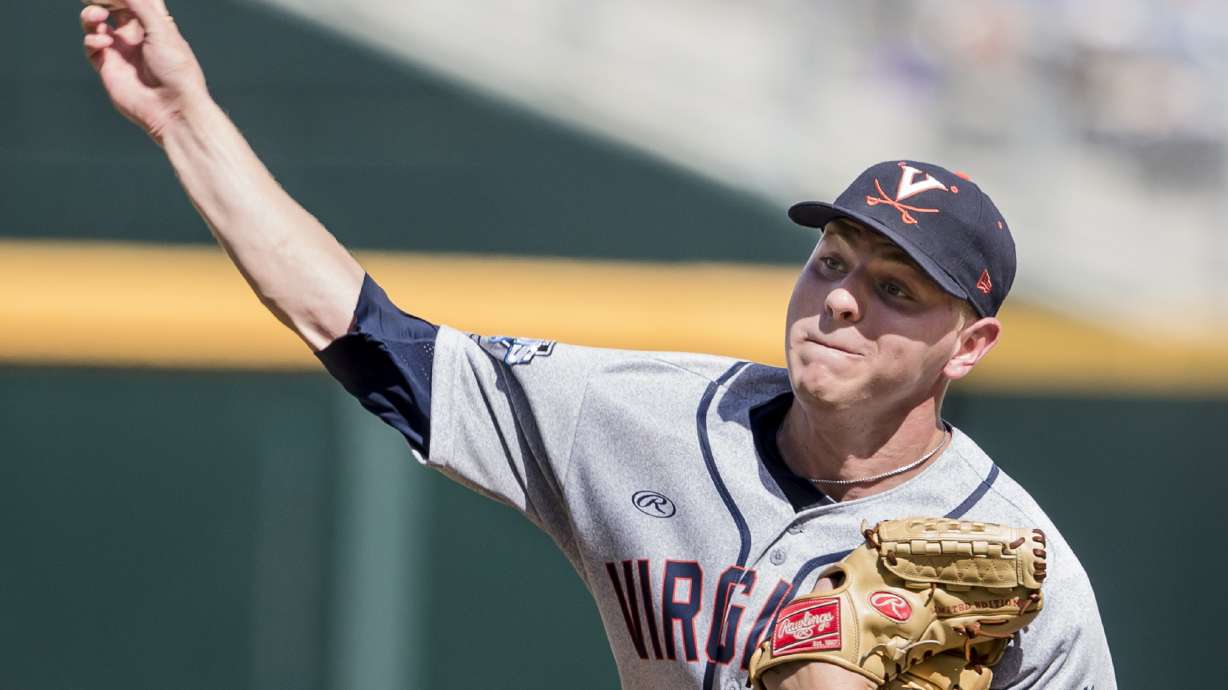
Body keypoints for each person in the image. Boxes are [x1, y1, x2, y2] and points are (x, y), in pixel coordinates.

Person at [80, 2, 1117, 688]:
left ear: (967, 346)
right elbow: (365, 334)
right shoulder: (636, 419)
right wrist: (184, 116)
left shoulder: (1020, 566)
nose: (842, 301)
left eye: (894, 289)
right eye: (834, 262)